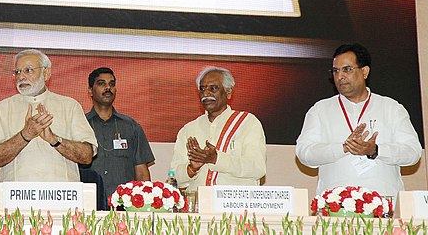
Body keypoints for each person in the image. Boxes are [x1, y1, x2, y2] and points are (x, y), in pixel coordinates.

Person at [296, 43, 421, 196]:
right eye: (335, 71)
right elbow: (304, 153)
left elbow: (413, 152)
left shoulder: (391, 108)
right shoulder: (320, 110)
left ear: (365, 72)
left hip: (384, 205)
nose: (340, 76)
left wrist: (376, 150)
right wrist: (343, 147)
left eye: (347, 69)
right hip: (334, 208)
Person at [0, 49, 98, 181]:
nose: (21, 77)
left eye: (28, 70)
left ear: (46, 73)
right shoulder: (2, 108)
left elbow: (86, 156)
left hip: (62, 198)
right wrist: (25, 135)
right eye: (17, 72)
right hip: (16, 198)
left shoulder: (69, 106)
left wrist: (54, 140)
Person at [170, 66, 266, 188]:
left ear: (228, 92)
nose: (206, 94)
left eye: (213, 88)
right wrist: (191, 168)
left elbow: (257, 168)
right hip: (198, 204)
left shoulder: (248, 123)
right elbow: (173, 179)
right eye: (202, 89)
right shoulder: (189, 129)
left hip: (235, 204)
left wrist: (217, 159)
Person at [82, 67, 154, 198]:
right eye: (101, 83)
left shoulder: (131, 126)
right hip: (87, 204)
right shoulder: (80, 124)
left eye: (112, 84)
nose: (108, 88)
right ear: (90, 91)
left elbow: (142, 173)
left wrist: (145, 204)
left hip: (123, 206)